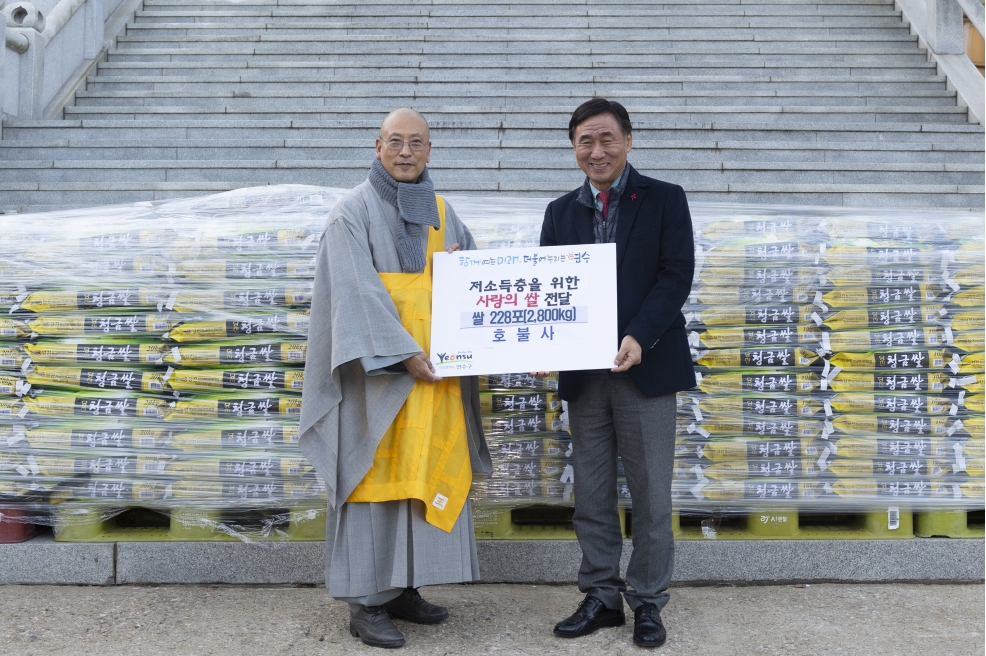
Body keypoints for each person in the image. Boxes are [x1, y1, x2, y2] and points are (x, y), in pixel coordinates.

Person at [299, 108, 492, 649]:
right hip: (378, 381)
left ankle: (404, 587)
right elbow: (357, 295)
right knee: (374, 479)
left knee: (421, 479)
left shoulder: (444, 214)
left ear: (430, 150)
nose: (406, 152)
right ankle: (365, 602)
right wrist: (405, 353)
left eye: (417, 143)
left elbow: (479, 287)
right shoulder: (350, 213)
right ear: (376, 146)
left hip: (434, 382)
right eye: (395, 142)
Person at [540, 98, 696, 649]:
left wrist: (638, 335)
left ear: (628, 140)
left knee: (651, 493)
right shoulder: (561, 213)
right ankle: (601, 596)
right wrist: (544, 343)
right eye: (585, 141)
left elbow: (676, 276)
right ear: (574, 148)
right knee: (593, 492)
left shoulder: (664, 200)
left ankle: (648, 601)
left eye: (606, 139)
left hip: (645, 368)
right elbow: (547, 291)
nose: (597, 151)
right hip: (586, 377)